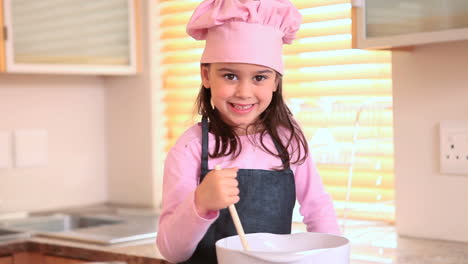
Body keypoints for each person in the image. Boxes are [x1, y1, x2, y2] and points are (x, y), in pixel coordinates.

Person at [156, 0, 340, 263]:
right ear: (206, 76)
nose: (244, 92)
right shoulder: (191, 149)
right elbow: (172, 251)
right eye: (230, 76)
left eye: (259, 77)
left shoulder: (289, 142)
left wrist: (333, 257)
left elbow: (318, 209)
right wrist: (200, 203)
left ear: (276, 81)